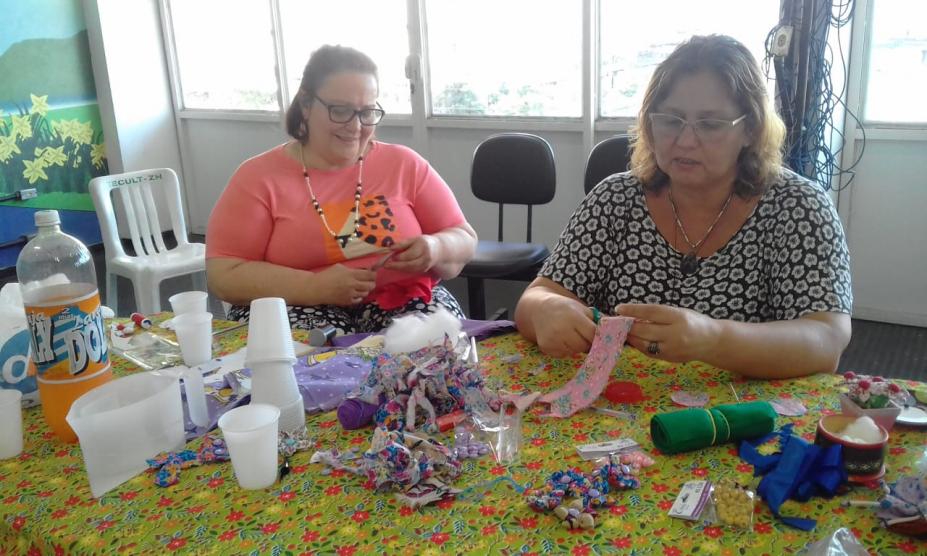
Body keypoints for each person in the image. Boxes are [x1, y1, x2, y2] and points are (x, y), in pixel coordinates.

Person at [515, 35, 852, 379]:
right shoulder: (615, 199)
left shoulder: (799, 208)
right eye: (671, 120)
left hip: (739, 414)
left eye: (710, 124)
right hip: (621, 406)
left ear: (750, 129)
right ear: (649, 124)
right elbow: (535, 298)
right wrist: (548, 309)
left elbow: (826, 339)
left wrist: (713, 339)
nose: (686, 141)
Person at [207, 45, 477, 333]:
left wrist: (436, 248)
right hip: (297, 303)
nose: (356, 126)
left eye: (367, 112)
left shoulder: (403, 164)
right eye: (341, 110)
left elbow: (464, 238)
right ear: (306, 105)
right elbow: (224, 274)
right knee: (316, 363)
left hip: (399, 297)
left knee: (434, 354)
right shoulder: (258, 178)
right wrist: (315, 286)